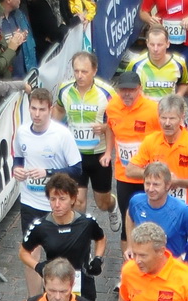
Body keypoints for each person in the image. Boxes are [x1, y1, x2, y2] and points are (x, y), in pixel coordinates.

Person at [12, 89, 85, 293]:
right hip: (30, 201)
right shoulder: (22, 132)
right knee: (31, 254)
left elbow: (77, 170)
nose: (37, 114)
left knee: (62, 254)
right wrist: (16, 170)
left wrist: (48, 172)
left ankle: (69, 296)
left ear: (50, 109)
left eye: (42, 110)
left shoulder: (62, 135)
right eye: (33, 108)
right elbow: (18, 157)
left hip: (57, 205)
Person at [20, 174, 109, 301]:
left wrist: (98, 258)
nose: (57, 204)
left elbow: (100, 238)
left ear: (73, 199)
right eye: (52, 199)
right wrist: (38, 266)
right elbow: (23, 252)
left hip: (83, 284)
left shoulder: (86, 223)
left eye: (62, 199)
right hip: (55, 287)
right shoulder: (41, 226)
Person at [54, 52, 119, 226]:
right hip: (75, 155)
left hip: (99, 156)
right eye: (76, 71)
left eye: (84, 71)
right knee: (78, 201)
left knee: (102, 203)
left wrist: (105, 127)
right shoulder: (65, 89)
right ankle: (81, 242)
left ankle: (113, 206)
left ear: (94, 70)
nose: (80, 76)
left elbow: (118, 120)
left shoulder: (107, 92)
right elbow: (59, 110)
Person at [129, 95, 188, 211]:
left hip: (185, 210)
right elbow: (130, 170)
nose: (167, 123)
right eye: (163, 118)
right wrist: (159, 178)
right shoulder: (150, 140)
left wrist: (178, 182)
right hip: (156, 209)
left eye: (172, 118)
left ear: (182, 118)